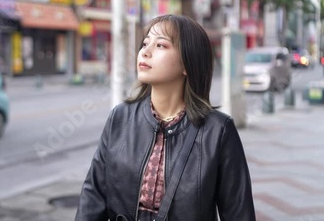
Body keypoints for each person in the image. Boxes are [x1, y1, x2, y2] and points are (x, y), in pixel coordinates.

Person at [75, 14, 255, 221]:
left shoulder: (218, 131)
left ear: (188, 63)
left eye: (160, 45)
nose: (145, 52)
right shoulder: (120, 117)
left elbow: (239, 214)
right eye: (145, 43)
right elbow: (93, 196)